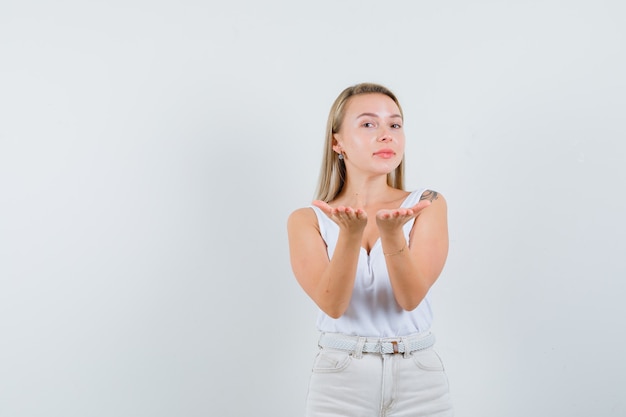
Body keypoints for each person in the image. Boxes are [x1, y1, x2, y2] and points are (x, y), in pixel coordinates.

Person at [287, 82, 454, 416]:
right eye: (368, 124)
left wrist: (392, 236)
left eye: (394, 124)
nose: (386, 134)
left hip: (418, 377)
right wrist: (350, 236)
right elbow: (333, 305)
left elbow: (409, 298)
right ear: (337, 142)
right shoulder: (308, 220)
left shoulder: (426, 204)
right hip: (339, 379)